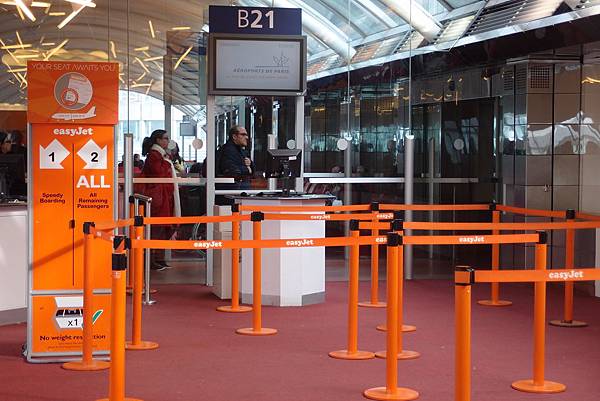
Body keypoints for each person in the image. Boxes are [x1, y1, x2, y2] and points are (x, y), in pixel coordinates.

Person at [141, 129, 181, 270]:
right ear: (158, 140)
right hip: (159, 196)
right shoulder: (154, 156)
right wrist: (167, 162)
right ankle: (152, 259)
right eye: (165, 138)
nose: (167, 141)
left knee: (163, 228)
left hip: (163, 195)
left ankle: (158, 258)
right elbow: (159, 173)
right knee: (157, 228)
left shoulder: (159, 155)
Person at [215, 125, 254, 205]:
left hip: (236, 194)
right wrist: (248, 169)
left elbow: (252, 169)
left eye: (246, 135)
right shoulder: (228, 151)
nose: (246, 137)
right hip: (229, 196)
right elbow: (232, 171)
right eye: (243, 135)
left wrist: (250, 166)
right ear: (234, 136)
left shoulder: (241, 151)